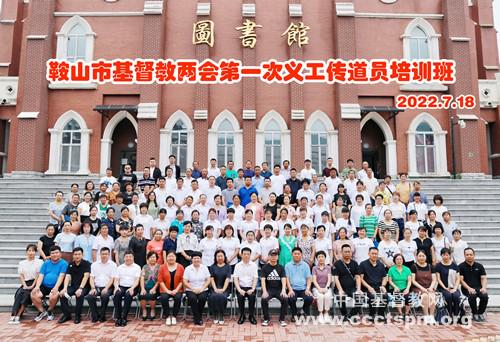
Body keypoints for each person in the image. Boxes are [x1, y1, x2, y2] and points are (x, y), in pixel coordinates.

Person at [31, 246, 68, 322]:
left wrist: (56, 287)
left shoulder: (64, 263)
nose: (55, 255)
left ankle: (50, 311)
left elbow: (61, 276)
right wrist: (37, 286)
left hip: (57, 286)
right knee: (33, 294)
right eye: (53, 253)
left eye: (56, 253)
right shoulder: (46, 263)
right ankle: (42, 311)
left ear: (60, 253)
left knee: (53, 296)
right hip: (44, 286)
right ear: (50, 254)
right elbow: (41, 275)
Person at [8, 244, 43, 324]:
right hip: (25, 283)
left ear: (35, 252)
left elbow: (38, 275)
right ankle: (13, 315)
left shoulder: (39, 262)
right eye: (29, 251)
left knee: (26, 295)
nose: (31, 253)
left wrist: (32, 286)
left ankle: (18, 316)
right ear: (26, 252)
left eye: (33, 251)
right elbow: (21, 276)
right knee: (19, 294)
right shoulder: (22, 263)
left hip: (35, 282)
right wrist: (24, 285)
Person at [58, 247, 91, 324]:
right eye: (75, 254)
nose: (77, 256)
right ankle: (67, 315)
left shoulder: (86, 264)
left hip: (84, 287)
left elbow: (86, 276)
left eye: (79, 254)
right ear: (73, 255)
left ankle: (77, 315)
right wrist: (65, 288)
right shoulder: (70, 264)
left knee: (79, 295)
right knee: (62, 295)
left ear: (82, 255)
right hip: (73, 287)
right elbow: (67, 276)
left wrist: (80, 288)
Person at [86, 247, 117, 323]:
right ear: (99, 254)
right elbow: (92, 278)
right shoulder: (94, 265)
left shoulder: (113, 265)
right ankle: (95, 315)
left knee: (105, 296)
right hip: (96, 286)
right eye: (102, 254)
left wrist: (106, 288)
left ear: (109, 254)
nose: (104, 255)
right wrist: (93, 288)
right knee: (90, 297)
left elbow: (112, 278)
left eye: (106, 254)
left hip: (108, 286)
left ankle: (102, 316)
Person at [333, 244, 362, 321]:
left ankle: (351, 315)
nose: (347, 253)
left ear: (351, 252)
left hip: (352, 288)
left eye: (349, 252)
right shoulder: (337, 264)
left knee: (361, 298)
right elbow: (336, 278)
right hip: (340, 288)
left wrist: (358, 289)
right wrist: (340, 290)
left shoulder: (355, 263)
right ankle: (344, 315)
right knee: (341, 297)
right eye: (345, 252)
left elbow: (358, 277)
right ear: (341, 252)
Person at [358, 247, 389, 321]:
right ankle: (372, 314)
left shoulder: (381, 264)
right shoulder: (363, 264)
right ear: (369, 254)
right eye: (373, 253)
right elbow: (361, 278)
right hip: (367, 288)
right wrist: (369, 287)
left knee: (385, 296)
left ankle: (380, 315)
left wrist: (383, 286)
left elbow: (384, 277)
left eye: (376, 254)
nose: (374, 255)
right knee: (373, 296)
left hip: (378, 287)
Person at [459, 247, 488, 322]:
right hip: (466, 288)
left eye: (471, 254)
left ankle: (480, 313)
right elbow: (461, 280)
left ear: (474, 255)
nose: (469, 256)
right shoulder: (461, 266)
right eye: (467, 254)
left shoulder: (479, 266)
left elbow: (483, 278)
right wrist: (469, 288)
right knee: (472, 296)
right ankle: (475, 313)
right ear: (464, 255)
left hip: (478, 287)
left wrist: (484, 287)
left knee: (484, 296)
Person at [113, 250, 141, 327]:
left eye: (130, 256)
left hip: (133, 287)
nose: (128, 258)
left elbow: (137, 280)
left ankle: (124, 317)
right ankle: (118, 318)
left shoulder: (137, 267)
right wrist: (116, 287)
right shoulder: (119, 267)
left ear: (133, 257)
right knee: (117, 294)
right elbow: (116, 280)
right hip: (122, 286)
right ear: (124, 257)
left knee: (128, 295)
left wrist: (132, 288)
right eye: (126, 256)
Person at [260, 248, 288, 327]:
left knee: (285, 299)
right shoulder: (265, 268)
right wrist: (264, 291)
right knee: (264, 299)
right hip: (269, 289)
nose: (273, 257)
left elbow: (283, 279)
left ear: (278, 257)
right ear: (268, 257)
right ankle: (266, 319)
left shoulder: (281, 267)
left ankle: (282, 319)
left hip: (278, 289)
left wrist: (283, 290)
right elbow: (262, 280)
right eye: (272, 255)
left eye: (275, 255)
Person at [285, 247, 314, 320]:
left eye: (298, 254)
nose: (297, 255)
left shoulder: (305, 265)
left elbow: (309, 278)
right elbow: (287, 279)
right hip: (293, 288)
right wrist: (290, 289)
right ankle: (294, 314)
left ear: (301, 255)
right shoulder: (288, 265)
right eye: (295, 254)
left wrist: (307, 289)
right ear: (292, 254)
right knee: (291, 299)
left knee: (309, 298)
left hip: (303, 288)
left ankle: (302, 311)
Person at [183, 251, 210, 325]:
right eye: (194, 258)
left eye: (198, 258)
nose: (196, 260)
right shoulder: (188, 268)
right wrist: (192, 289)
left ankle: (197, 316)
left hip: (203, 288)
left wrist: (202, 288)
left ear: (200, 259)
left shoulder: (204, 268)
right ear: (192, 259)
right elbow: (185, 281)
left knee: (202, 298)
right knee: (192, 298)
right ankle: (198, 317)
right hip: (191, 289)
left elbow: (208, 280)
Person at [411, 249, 437, 324]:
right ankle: (426, 316)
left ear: (426, 257)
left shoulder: (430, 266)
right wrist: (422, 289)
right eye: (420, 256)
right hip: (418, 288)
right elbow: (413, 281)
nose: (421, 258)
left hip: (429, 287)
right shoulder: (414, 266)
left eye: (423, 256)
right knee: (425, 296)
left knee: (432, 295)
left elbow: (434, 279)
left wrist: (431, 287)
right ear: (416, 257)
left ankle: (431, 317)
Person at [158, 250, 184, 325]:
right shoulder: (162, 267)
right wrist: (167, 290)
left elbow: (182, 281)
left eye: (172, 256)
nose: (171, 258)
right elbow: (160, 280)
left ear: (175, 257)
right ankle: (167, 317)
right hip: (165, 289)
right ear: (166, 258)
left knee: (178, 298)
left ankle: (174, 316)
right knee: (164, 298)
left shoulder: (180, 267)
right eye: (169, 256)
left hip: (177, 289)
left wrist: (176, 290)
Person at [435, 248, 461, 320]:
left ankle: (456, 315)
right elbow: (438, 279)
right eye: (443, 255)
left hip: (453, 287)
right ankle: (449, 314)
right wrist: (445, 288)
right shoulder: (438, 266)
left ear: (450, 255)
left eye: (447, 255)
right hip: (442, 288)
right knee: (448, 296)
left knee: (456, 296)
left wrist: (455, 288)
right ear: (441, 255)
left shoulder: (454, 265)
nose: (445, 256)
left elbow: (458, 278)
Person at [234, 247, 258, 325]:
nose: (246, 256)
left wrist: (253, 288)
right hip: (241, 286)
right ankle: (242, 315)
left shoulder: (253, 265)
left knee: (252, 297)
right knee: (240, 297)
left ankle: (251, 315)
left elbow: (255, 278)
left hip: (250, 287)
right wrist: (239, 289)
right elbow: (235, 279)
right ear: (241, 255)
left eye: (248, 254)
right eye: (245, 254)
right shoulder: (237, 265)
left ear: (250, 255)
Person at [209, 250, 232, 325]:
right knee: (214, 296)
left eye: (221, 256)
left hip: (225, 287)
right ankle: (215, 314)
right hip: (214, 287)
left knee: (222, 296)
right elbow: (211, 279)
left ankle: (221, 314)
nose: (220, 258)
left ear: (224, 257)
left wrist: (223, 289)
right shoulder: (212, 267)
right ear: (215, 257)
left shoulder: (228, 266)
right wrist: (215, 288)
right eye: (218, 256)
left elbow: (227, 279)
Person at [387, 254, 412, 318]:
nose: (399, 261)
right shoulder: (391, 269)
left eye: (400, 259)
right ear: (394, 260)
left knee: (408, 296)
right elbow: (390, 281)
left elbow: (409, 281)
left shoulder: (407, 269)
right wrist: (395, 287)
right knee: (397, 294)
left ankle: (406, 313)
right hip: (394, 287)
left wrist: (407, 288)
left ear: (403, 260)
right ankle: (400, 313)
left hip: (405, 287)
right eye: (397, 259)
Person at [312, 250, 333, 323]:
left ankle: (326, 313)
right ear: (317, 258)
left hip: (326, 287)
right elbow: (314, 280)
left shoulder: (328, 268)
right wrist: (319, 288)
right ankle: (320, 314)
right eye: (319, 257)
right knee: (320, 296)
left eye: (322, 257)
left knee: (327, 295)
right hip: (317, 288)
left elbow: (329, 279)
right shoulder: (314, 268)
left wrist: (326, 288)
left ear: (325, 258)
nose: (321, 258)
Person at [138, 251, 160, 320]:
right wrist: (142, 288)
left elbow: (160, 280)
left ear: (156, 258)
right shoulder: (145, 267)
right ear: (148, 258)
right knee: (142, 295)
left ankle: (152, 310)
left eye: (154, 257)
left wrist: (154, 288)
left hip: (155, 287)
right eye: (150, 257)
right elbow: (142, 278)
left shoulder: (160, 267)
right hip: (145, 286)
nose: (152, 259)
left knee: (151, 295)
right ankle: (144, 310)